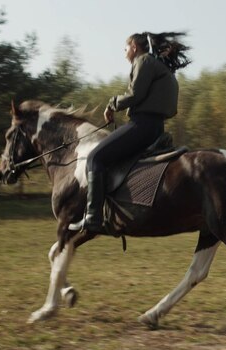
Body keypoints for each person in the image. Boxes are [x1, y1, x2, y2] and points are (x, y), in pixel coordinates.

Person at [69, 31, 192, 233]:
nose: (124, 52)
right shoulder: (162, 67)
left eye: (125, 48)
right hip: (156, 127)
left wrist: (111, 104)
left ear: (134, 47)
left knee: (95, 159)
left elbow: (135, 94)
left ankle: (93, 217)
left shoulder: (143, 61)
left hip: (142, 126)